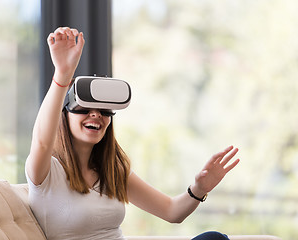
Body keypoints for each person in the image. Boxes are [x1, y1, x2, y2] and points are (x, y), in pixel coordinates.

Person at [25, 27, 240, 240]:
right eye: (84, 108)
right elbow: (42, 142)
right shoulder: (45, 173)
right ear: (65, 114)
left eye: (103, 110)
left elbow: (172, 211)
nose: (95, 115)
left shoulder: (112, 170)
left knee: (214, 238)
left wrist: (199, 189)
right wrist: (62, 74)